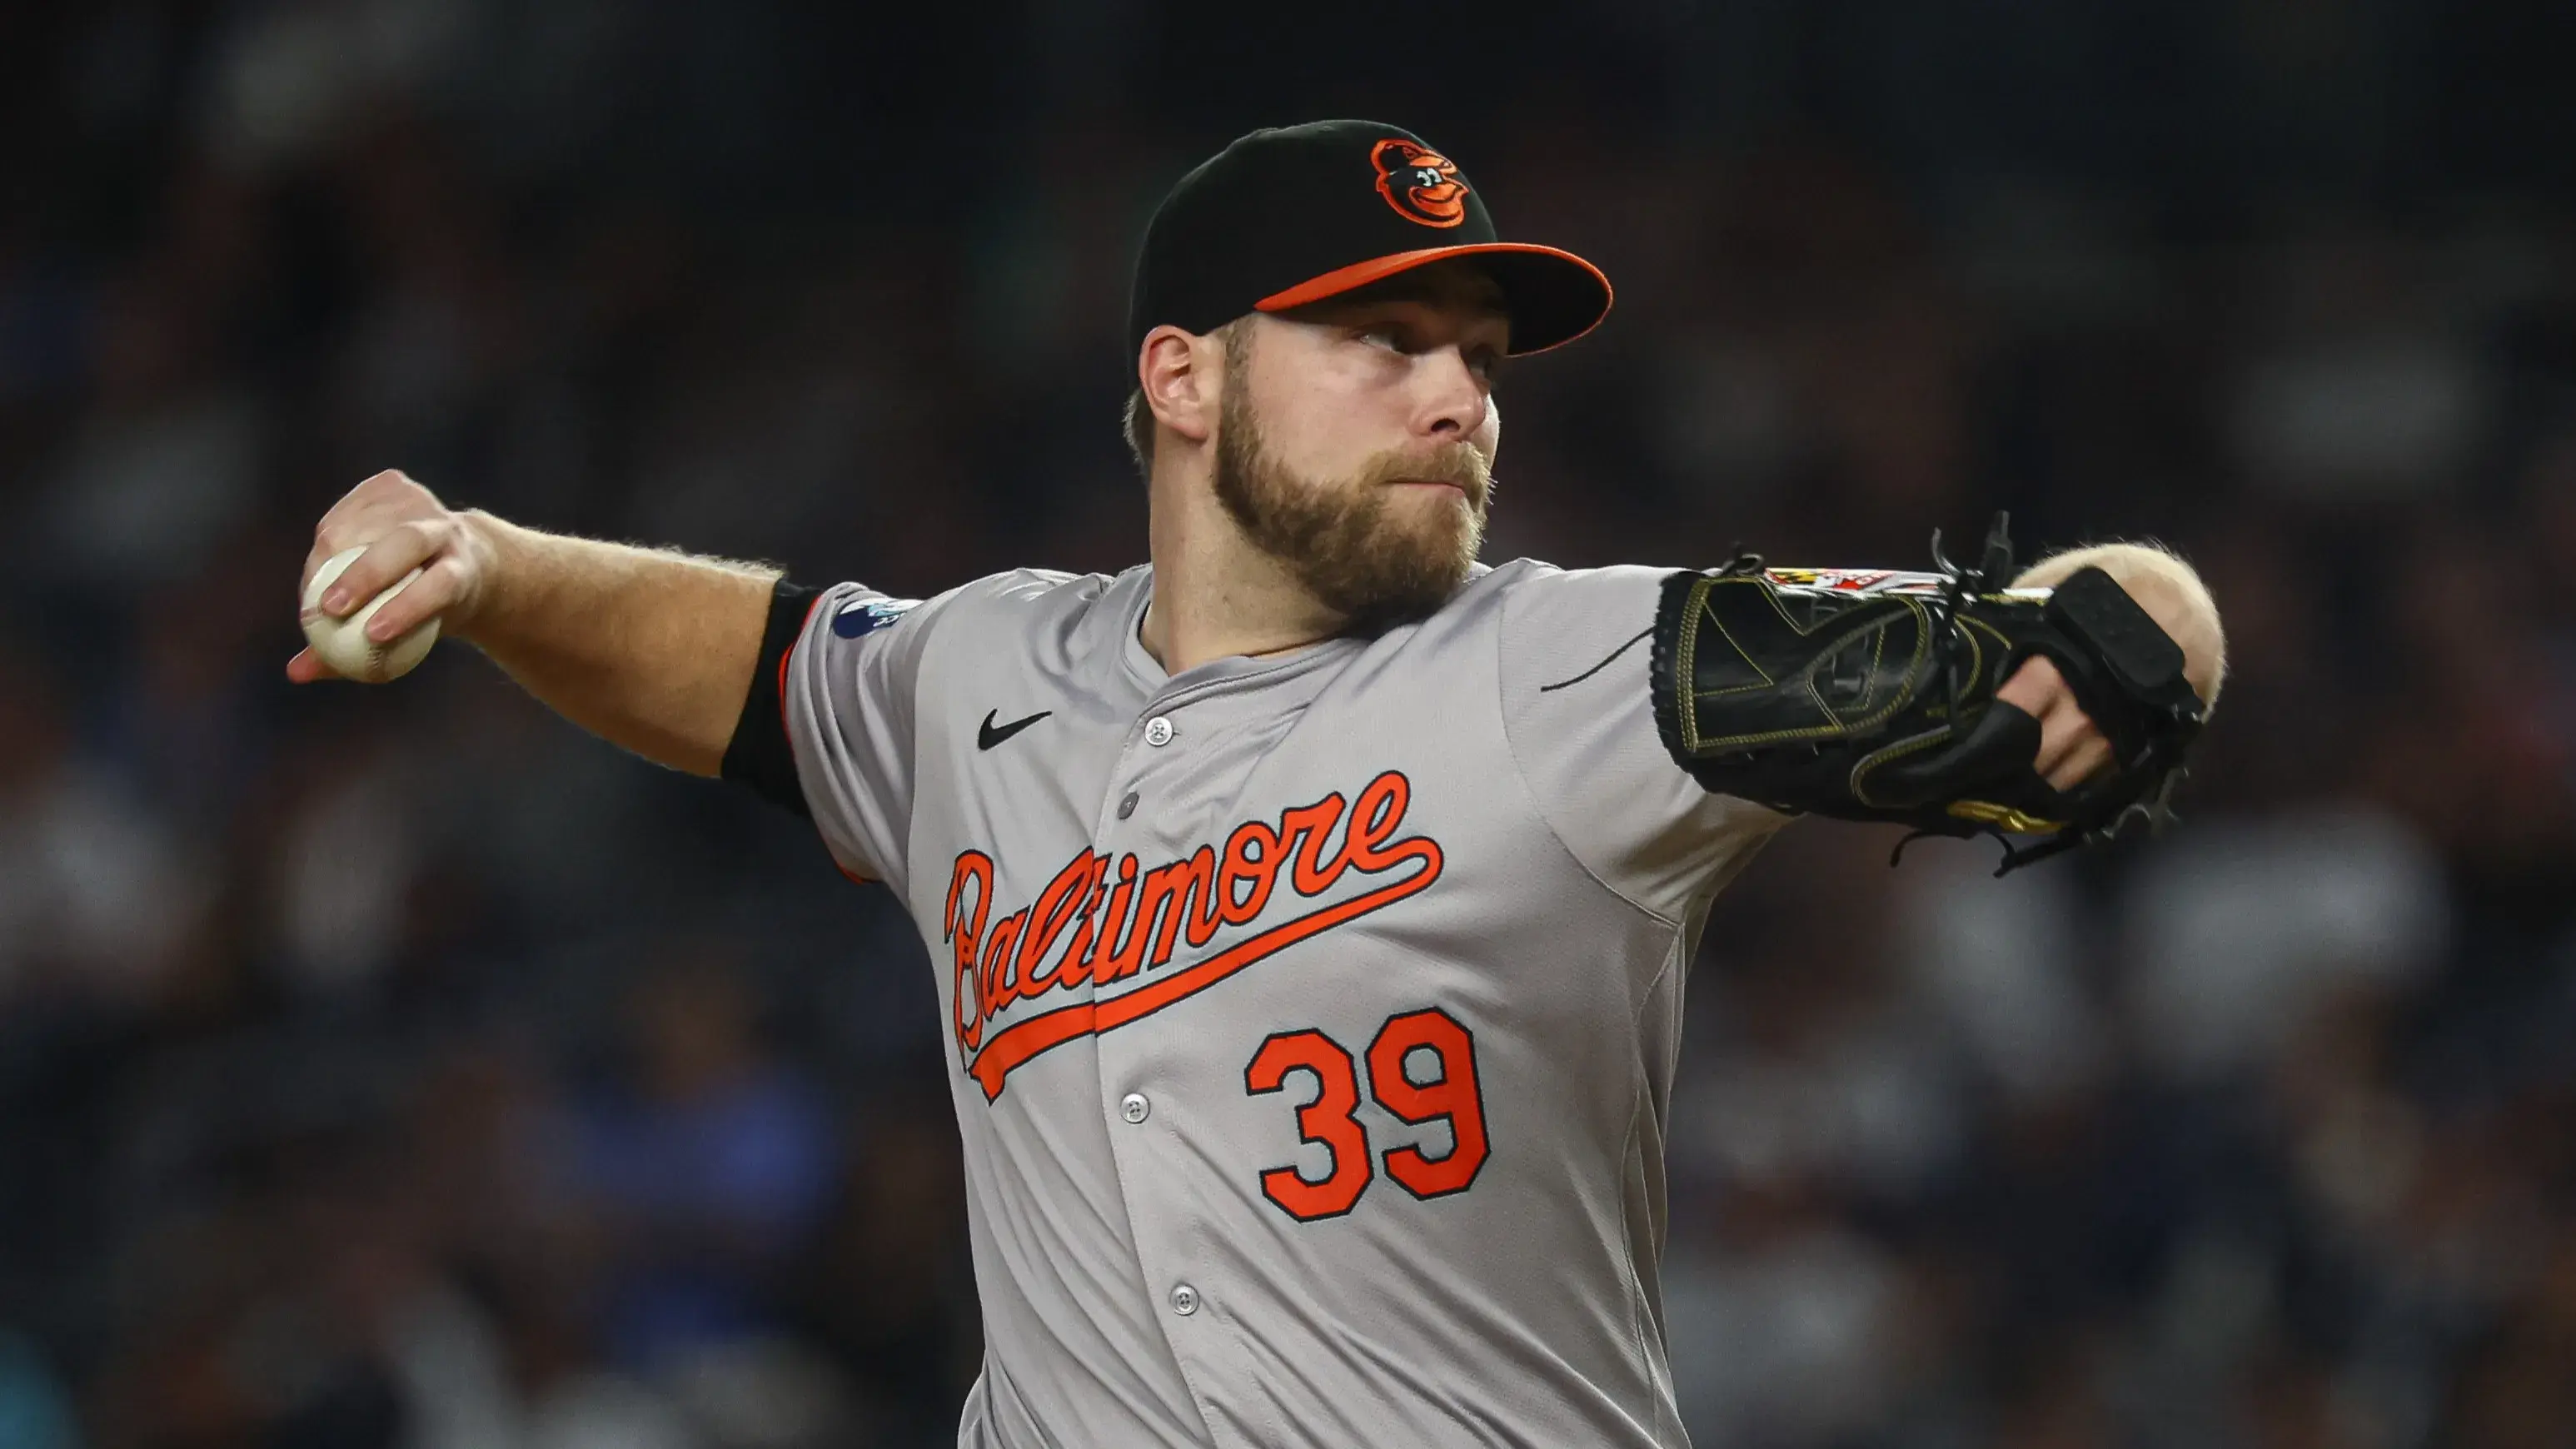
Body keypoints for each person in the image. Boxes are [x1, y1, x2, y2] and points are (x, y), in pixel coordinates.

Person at [293, 121, 2225, 1448]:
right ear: (1185, 379)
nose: (1459, 398)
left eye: (1476, 356)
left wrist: (2146, 629)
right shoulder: (981, 673)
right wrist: (487, 566)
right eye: (1382, 341)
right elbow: (760, 663)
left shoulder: (1576, 668)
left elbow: (2061, 624)